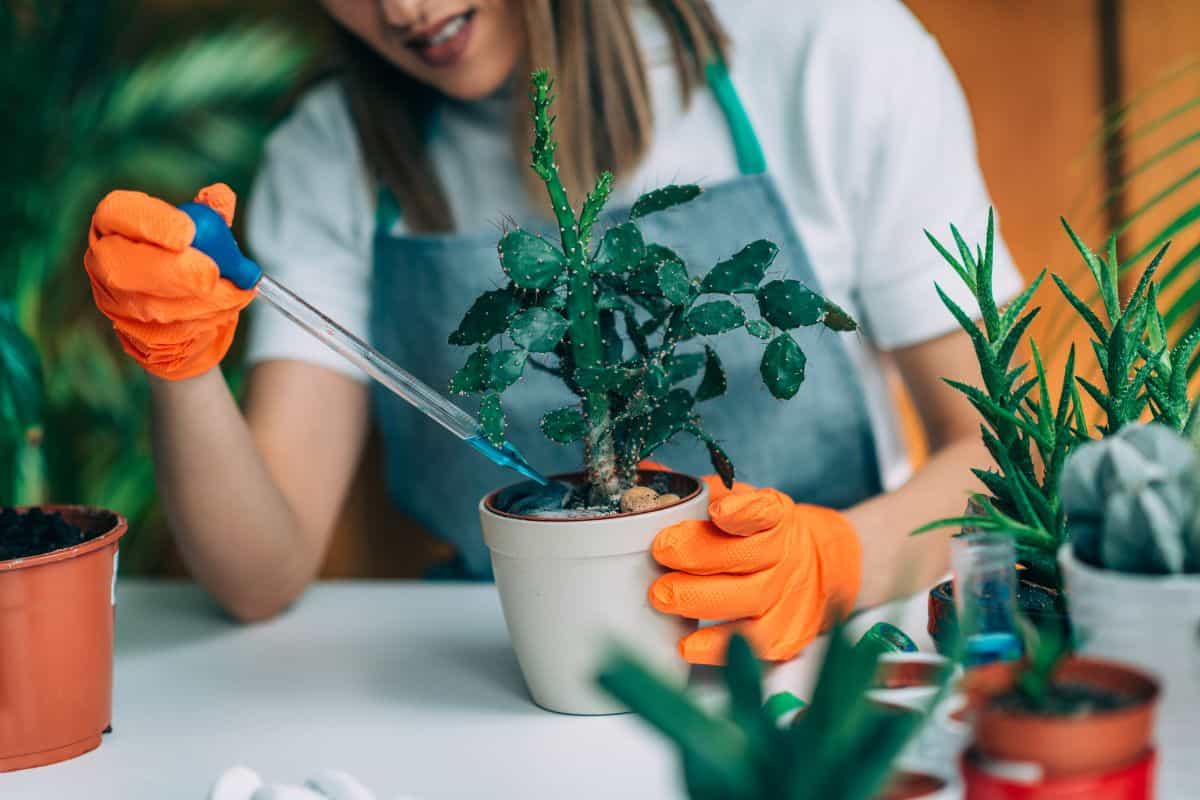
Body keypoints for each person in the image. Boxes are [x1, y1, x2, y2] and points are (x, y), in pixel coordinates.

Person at [83, 0, 1022, 665]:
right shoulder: (330, 152)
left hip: (816, 664)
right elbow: (260, 575)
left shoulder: (832, 47)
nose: (405, 9)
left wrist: (836, 564)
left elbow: (1003, 454)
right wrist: (178, 356)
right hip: (496, 672)